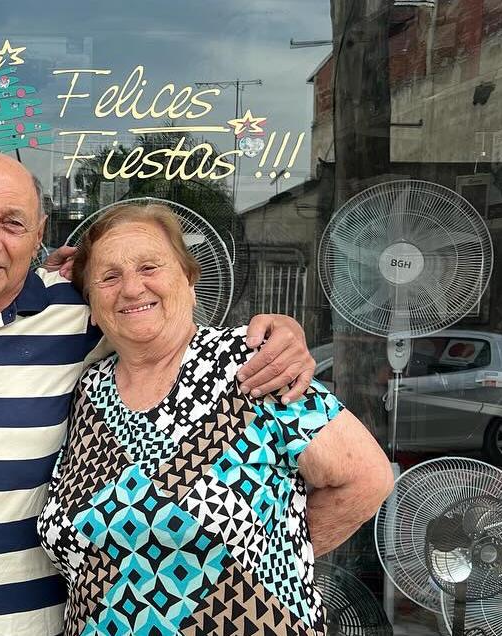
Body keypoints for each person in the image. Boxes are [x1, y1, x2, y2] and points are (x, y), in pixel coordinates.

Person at [0, 154, 320, 635]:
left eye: (13, 223)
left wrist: (277, 334)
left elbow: (166, 328)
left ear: (38, 234)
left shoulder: (80, 313)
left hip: (26, 625)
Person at [36, 202, 393, 635]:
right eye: (108, 277)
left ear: (188, 279)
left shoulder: (251, 365)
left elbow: (368, 478)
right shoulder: (86, 390)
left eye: (150, 267)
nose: (131, 288)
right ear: (91, 303)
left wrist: (270, 559)